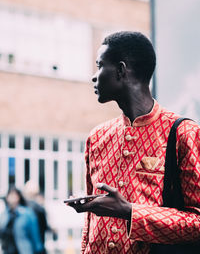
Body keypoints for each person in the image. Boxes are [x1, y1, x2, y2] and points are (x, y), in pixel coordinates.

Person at [67, 31, 200, 253]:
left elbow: (197, 221)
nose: (94, 76)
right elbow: (89, 227)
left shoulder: (184, 132)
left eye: (100, 66)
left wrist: (129, 211)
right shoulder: (97, 137)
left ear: (121, 70)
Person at [0, 187, 44, 254]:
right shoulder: (4, 215)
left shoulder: (27, 213)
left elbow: (34, 233)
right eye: (11, 195)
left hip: (23, 250)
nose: (12, 198)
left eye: (15, 195)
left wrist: (38, 249)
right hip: (8, 250)